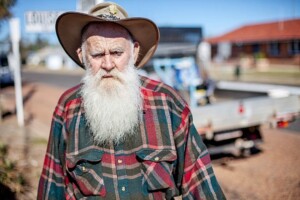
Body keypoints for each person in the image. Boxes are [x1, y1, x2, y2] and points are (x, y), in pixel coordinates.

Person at [37, 2, 226, 200]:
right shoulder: (68, 108)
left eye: (117, 53)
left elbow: (200, 184)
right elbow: (52, 186)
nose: (108, 64)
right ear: (82, 56)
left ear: (134, 52)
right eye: (97, 54)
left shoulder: (168, 103)